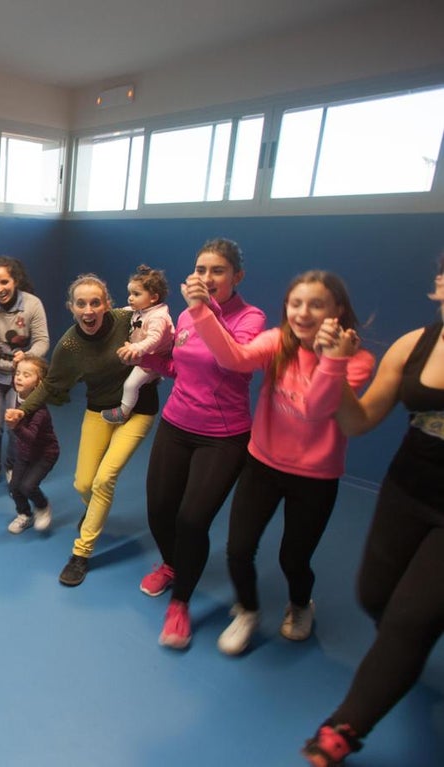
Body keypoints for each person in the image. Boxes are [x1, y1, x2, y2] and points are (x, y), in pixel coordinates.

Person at [183, 271, 374, 655]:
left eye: (317, 304)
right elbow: (233, 357)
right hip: (263, 465)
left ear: (338, 310)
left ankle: (301, 605)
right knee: (238, 549)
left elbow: (317, 408)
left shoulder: (357, 359)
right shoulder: (278, 341)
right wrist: (201, 310)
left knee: (294, 557)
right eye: (296, 303)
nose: (304, 312)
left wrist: (332, 360)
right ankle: (248, 610)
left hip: (315, 476)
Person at [301, 256, 444, 766]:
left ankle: (344, 728)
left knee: (408, 618)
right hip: (408, 490)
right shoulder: (414, 345)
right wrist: (334, 366)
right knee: (376, 597)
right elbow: (358, 422)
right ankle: (410, 642)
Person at [135, 238, 266, 649]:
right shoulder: (190, 316)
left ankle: (181, 603)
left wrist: (202, 310)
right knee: (159, 510)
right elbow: (179, 365)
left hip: (223, 438)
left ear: (237, 276)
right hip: (176, 424)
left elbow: (230, 358)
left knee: (192, 521)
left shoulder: (251, 318)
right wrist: (143, 358)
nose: (208, 278)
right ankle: (174, 565)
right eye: (202, 269)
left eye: (218, 271)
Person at [9, 274, 158, 587]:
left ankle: (81, 553)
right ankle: (93, 515)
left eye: (95, 302)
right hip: (100, 411)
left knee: (104, 481)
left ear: (107, 304)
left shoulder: (128, 319)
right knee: (83, 484)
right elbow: (51, 384)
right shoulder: (70, 344)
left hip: (138, 410)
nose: (88, 310)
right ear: (71, 308)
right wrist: (23, 410)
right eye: (81, 304)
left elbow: (161, 329)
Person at [0, 257, 49, 493]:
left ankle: (11, 465)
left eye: (4, 282)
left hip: (20, 376)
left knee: (15, 424)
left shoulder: (33, 304)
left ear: (15, 280)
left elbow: (42, 341)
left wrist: (27, 356)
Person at [101, 265, 174, 424]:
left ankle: (123, 412)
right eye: (130, 293)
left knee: (130, 385)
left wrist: (136, 348)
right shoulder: (142, 309)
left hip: (153, 360)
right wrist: (108, 312)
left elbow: (154, 340)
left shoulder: (158, 317)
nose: (130, 298)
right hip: (143, 356)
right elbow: (125, 311)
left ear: (153, 298)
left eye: (136, 294)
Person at [3, 355, 60, 534]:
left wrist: (15, 426)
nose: (19, 377)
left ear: (38, 383)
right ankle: (24, 514)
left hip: (45, 454)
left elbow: (30, 437)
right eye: (18, 373)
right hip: (24, 453)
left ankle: (42, 507)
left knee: (28, 486)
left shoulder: (39, 410)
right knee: (14, 487)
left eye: (26, 375)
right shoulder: (16, 395)